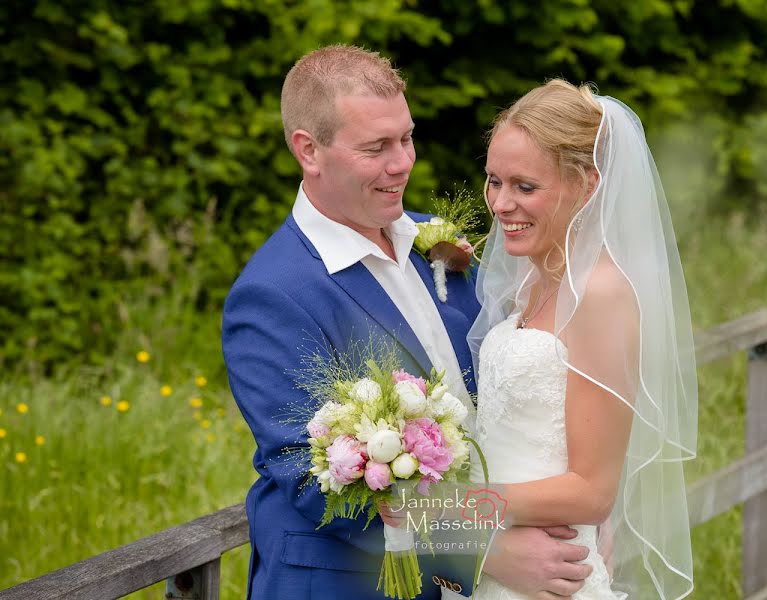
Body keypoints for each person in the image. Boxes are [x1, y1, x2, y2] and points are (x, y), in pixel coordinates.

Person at [222, 46, 592, 600]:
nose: (403, 163)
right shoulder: (272, 295)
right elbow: (314, 484)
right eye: (376, 148)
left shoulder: (435, 241)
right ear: (309, 151)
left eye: (406, 137)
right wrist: (483, 549)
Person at [467, 79, 699, 599]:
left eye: (525, 187)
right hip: (496, 564)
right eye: (494, 181)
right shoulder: (530, 278)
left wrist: (450, 510)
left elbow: (592, 490)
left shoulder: (601, 292)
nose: (501, 203)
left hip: (554, 573)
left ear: (587, 184)